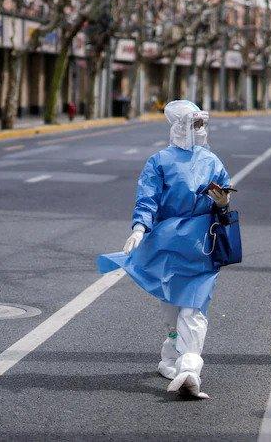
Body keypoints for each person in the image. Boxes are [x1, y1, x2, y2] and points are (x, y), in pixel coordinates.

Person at [97, 100, 231, 399]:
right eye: (194, 124)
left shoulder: (212, 161)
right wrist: (139, 228)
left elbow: (225, 197)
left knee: (194, 306)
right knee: (171, 300)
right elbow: (148, 199)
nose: (200, 129)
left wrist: (222, 203)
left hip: (202, 246)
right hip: (168, 242)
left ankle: (189, 367)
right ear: (180, 126)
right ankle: (170, 356)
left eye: (202, 124)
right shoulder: (159, 161)